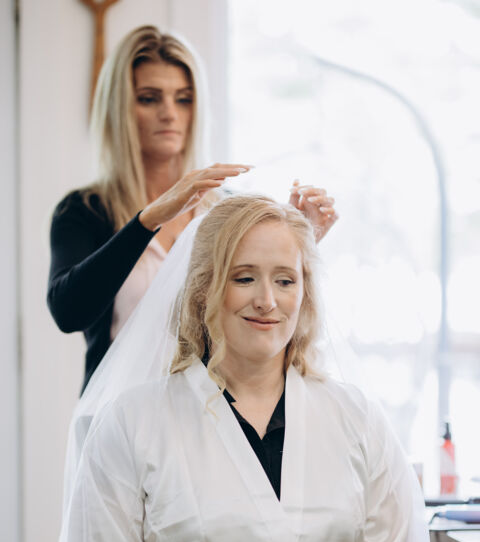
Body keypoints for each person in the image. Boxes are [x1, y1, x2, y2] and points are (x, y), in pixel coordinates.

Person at [62, 194, 431, 542]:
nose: (267, 300)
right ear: (203, 288)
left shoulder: (358, 419)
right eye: (243, 278)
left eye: (285, 280)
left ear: (305, 291)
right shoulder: (130, 424)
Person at [47, 25, 337, 392]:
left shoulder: (226, 210)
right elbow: (69, 312)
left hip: (209, 409)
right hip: (115, 407)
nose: (169, 113)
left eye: (183, 99)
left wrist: (300, 245)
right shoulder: (85, 211)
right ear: (119, 108)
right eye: (149, 98)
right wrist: (149, 219)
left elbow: (264, 312)